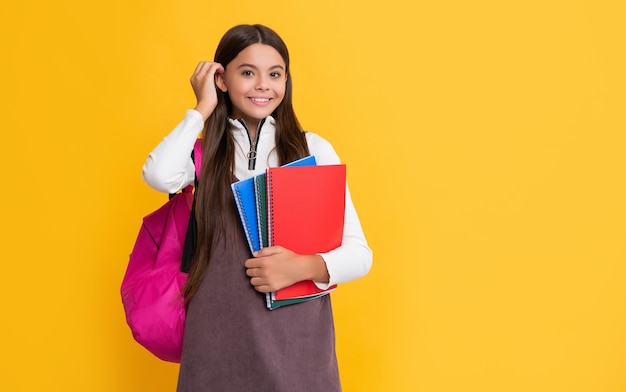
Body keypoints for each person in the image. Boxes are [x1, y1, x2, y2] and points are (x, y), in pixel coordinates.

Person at [142, 24, 372, 392]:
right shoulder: (203, 156)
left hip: (297, 345)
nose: (263, 85)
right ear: (222, 79)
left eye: (275, 74)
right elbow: (158, 175)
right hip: (215, 343)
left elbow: (359, 254)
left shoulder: (311, 150)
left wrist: (302, 266)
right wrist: (201, 108)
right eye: (247, 72)